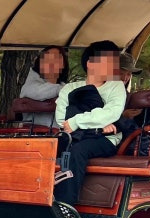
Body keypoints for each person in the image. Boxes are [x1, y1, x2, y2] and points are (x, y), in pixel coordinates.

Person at [54, 40, 127, 204]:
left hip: (104, 138)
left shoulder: (116, 86)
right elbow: (61, 119)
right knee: (42, 150)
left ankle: (65, 206)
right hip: (74, 137)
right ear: (90, 63)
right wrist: (97, 122)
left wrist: (77, 121)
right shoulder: (70, 88)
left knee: (77, 150)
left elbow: (112, 113)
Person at [18, 46, 69, 127]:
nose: (51, 63)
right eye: (47, 59)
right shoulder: (30, 82)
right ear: (40, 63)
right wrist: (62, 90)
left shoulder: (64, 87)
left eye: (56, 59)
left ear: (63, 65)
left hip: (62, 131)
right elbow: (37, 93)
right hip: (34, 131)